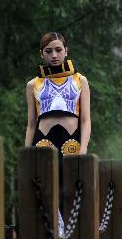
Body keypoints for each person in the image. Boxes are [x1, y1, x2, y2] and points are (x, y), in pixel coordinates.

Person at [26, 32, 92, 160]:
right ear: (42, 53)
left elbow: (85, 120)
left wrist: (83, 150)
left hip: (72, 141)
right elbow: (31, 124)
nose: (54, 55)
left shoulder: (80, 80)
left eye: (58, 50)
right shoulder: (32, 84)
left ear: (66, 51)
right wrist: (26, 154)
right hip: (42, 141)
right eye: (48, 51)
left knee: (72, 178)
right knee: (44, 178)